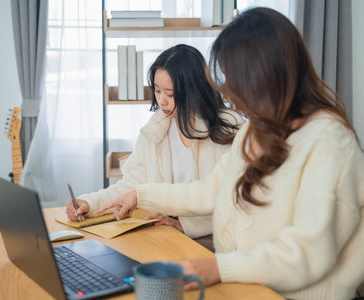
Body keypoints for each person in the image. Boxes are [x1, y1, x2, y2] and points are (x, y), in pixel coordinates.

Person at [95, 7, 364, 300]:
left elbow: (305, 254)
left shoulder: (329, 141)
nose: (230, 96)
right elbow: (211, 189)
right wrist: (140, 195)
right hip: (247, 287)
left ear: (269, 77)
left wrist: (219, 267)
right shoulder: (258, 129)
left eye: (237, 82)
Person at [66, 44, 242, 250]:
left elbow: (227, 199)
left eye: (170, 93)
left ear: (193, 89)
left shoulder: (227, 127)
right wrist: (89, 203)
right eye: (157, 91)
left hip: (218, 237)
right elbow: (131, 187)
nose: (161, 101)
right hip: (168, 230)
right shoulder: (155, 131)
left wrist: (185, 225)